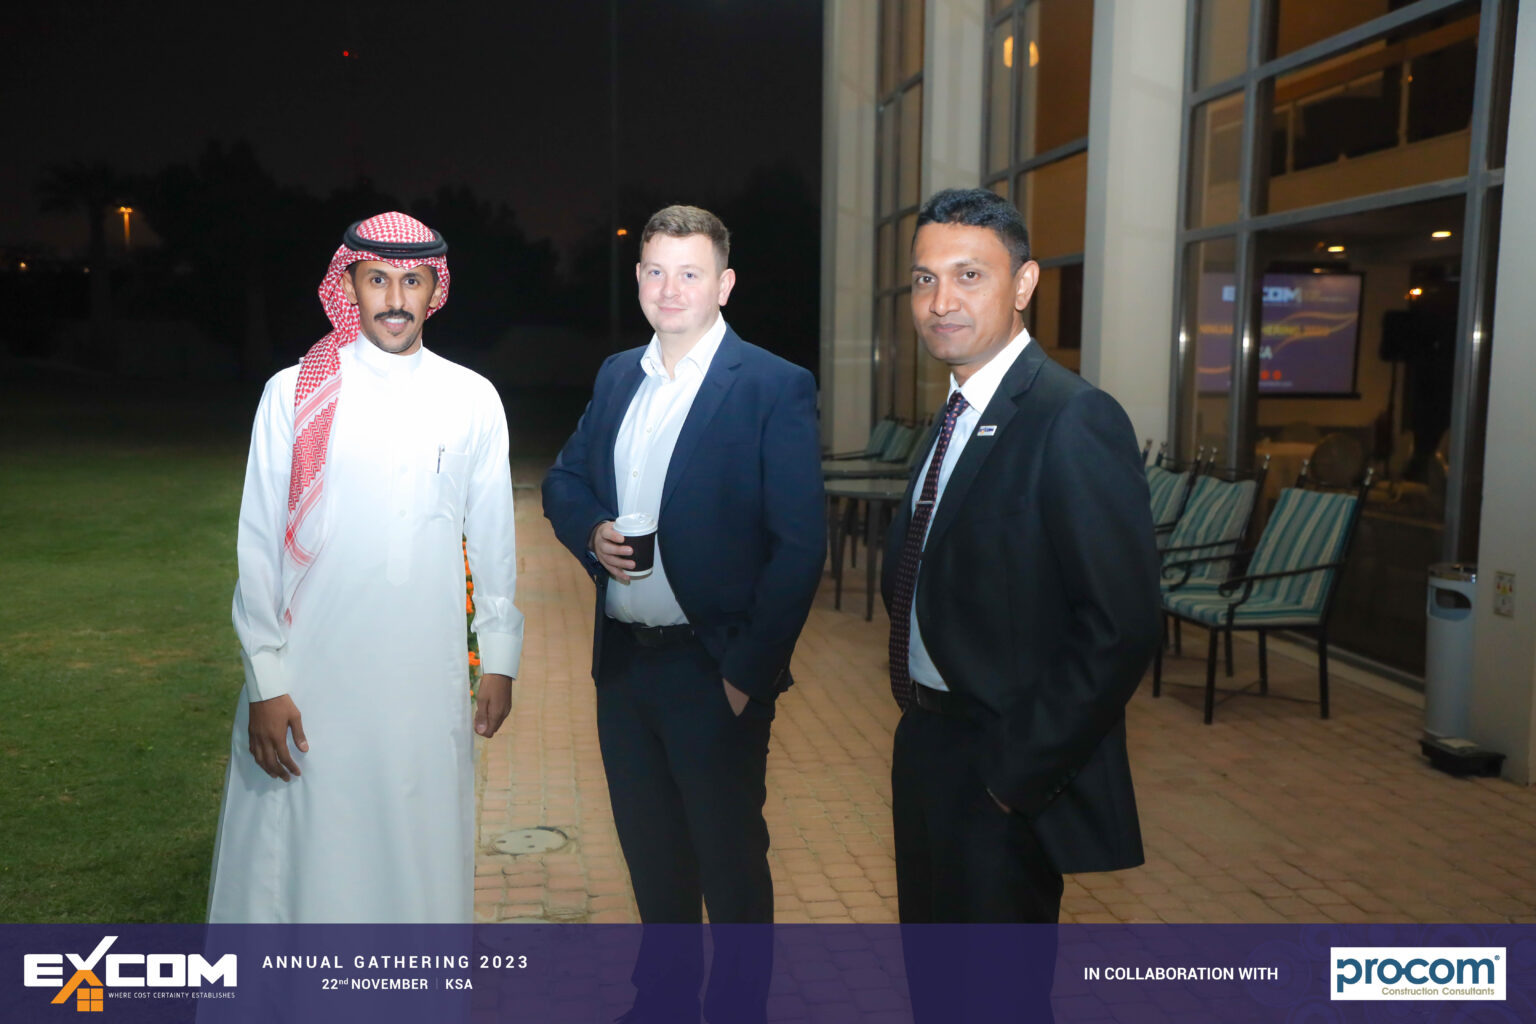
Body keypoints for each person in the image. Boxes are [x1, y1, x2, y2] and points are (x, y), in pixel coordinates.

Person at [542, 205, 824, 1022]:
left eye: (690, 273)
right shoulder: (617, 376)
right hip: (625, 667)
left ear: (724, 284)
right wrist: (591, 531)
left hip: (714, 670)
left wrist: (746, 676)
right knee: (653, 857)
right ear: (638, 279)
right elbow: (564, 479)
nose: (671, 289)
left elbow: (800, 547)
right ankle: (660, 1004)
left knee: (729, 866)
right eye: (657, 271)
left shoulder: (772, 385)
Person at [207, 211, 523, 923]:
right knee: (307, 854)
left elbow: (493, 540)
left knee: (418, 846)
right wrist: (266, 680)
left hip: (425, 677)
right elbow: (259, 546)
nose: (395, 299)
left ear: (435, 290)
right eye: (377, 279)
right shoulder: (295, 393)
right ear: (348, 285)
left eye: (412, 281)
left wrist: (500, 660)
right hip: (311, 675)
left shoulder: (472, 398)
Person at [883, 188, 1158, 929]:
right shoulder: (954, 415)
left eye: (969, 276)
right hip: (929, 746)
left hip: (1001, 769)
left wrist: (1016, 777)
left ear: (1024, 284)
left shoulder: (1071, 417)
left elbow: (1121, 626)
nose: (941, 301)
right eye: (925, 278)